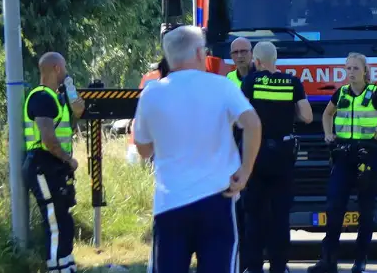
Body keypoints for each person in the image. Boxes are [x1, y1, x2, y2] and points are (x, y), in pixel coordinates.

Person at [132, 25, 262, 273]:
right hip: (218, 200)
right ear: (200, 53)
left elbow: (144, 149)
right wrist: (245, 172)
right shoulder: (222, 86)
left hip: (170, 203)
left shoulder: (152, 93)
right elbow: (252, 124)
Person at [309, 53, 377, 273]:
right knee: (334, 206)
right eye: (348, 69)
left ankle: (360, 260)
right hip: (344, 156)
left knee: (366, 210)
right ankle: (328, 261)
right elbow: (327, 115)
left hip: (369, 156)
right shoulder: (342, 93)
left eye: (355, 68)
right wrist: (328, 134)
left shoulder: (376, 93)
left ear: (365, 71)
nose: (351, 73)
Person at [239, 41, 312, 273]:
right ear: (276, 60)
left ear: (256, 61)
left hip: (256, 155)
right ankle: (279, 266)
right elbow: (308, 117)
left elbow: (241, 115)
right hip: (282, 156)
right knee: (280, 215)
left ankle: (254, 266)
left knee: (254, 213)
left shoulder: (250, 81)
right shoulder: (292, 82)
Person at [23, 51, 85, 273]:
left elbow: (80, 110)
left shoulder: (57, 97)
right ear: (57, 69)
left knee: (63, 220)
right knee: (55, 223)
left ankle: (66, 266)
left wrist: (70, 89)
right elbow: (48, 138)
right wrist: (69, 159)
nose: (67, 72)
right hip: (43, 164)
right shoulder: (41, 97)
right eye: (64, 68)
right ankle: (55, 268)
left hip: (55, 167)